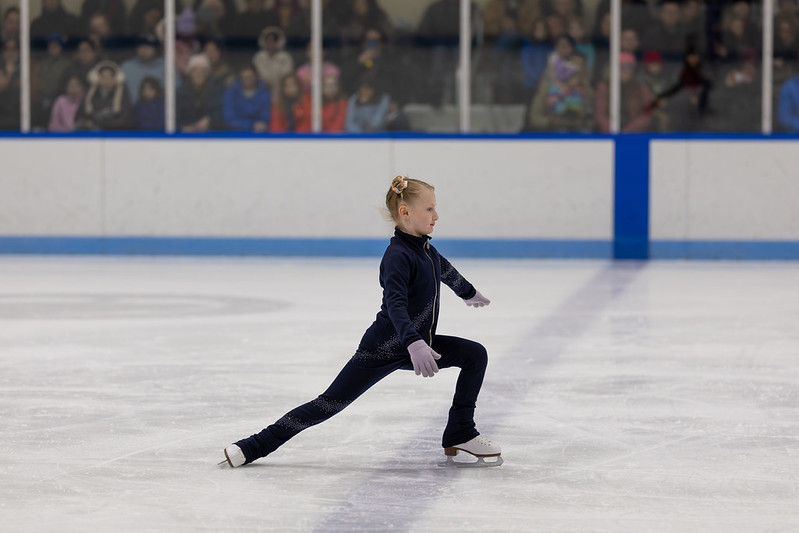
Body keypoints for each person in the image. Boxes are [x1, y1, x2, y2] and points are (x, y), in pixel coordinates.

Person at [221, 176, 502, 469]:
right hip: (382, 348)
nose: (436, 215)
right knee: (328, 404)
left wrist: (468, 292)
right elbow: (396, 306)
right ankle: (252, 446)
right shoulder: (397, 256)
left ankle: (460, 432)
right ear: (405, 212)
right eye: (429, 209)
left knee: (474, 355)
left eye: (435, 208)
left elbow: (445, 270)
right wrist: (414, 342)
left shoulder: (426, 250)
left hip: (416, 343)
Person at [595, 52, 652, 133]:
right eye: (621, 66)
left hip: (635, 133)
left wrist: (628, 130)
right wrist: (613, 131)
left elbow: (646, 115)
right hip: (608, 133)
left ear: (633, 69)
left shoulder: (642, 88)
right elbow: (600, 115)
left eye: (629, 66)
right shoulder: (604, 87)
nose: (625, 69)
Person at [74, 60, 132, 130]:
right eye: (103, 77)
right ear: (97, 78)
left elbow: (125, 119)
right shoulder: (90, 94)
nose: (106, 81)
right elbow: (79, 116)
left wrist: (100, 123)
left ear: (115, 78)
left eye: (109, 77)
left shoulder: (123, 94)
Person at [177, 53, 223, 132]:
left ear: (207, 74)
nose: (199, 74)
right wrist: (182, 127)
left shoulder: (215, 90)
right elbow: (173, 116)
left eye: (202, 71)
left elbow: (220, 112)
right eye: (195, 71)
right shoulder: (180, 92)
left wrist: (209, 121)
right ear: (190, 74)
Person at [223, 64, 271, 131]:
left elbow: (266, 116)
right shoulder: (231, 92)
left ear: (256, 76)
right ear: (240, 78)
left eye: (250, 77)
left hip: (258, 133)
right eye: (245, 77)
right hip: (235, 133)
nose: (248, 80)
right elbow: (229, 118)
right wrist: (251, 125)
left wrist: (261, 124)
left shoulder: (265, 93)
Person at [121, 34, 164, 105]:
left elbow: (176, 92)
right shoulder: (126, 67)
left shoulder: (166, 67)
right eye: (141, 45)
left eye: (148, 46)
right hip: (130, 113)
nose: (144, 49)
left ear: (155, 48)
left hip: (159, 112)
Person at [253, 26, 294, 92]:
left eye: (274, 40)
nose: (271, 42)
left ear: (279, 41)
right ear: (264, 41)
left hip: (282, 90)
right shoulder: (259, 57)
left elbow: (287, 75)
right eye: (268, 40)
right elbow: (258, 75)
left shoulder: (285, 57)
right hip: (262, 89)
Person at [0, 37, 20, 130]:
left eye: (13, 49)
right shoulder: (1, 66)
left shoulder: (27, 66)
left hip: (21, 115)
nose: (10, 53)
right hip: (2, 115)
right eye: (7, 49)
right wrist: (9, 74)